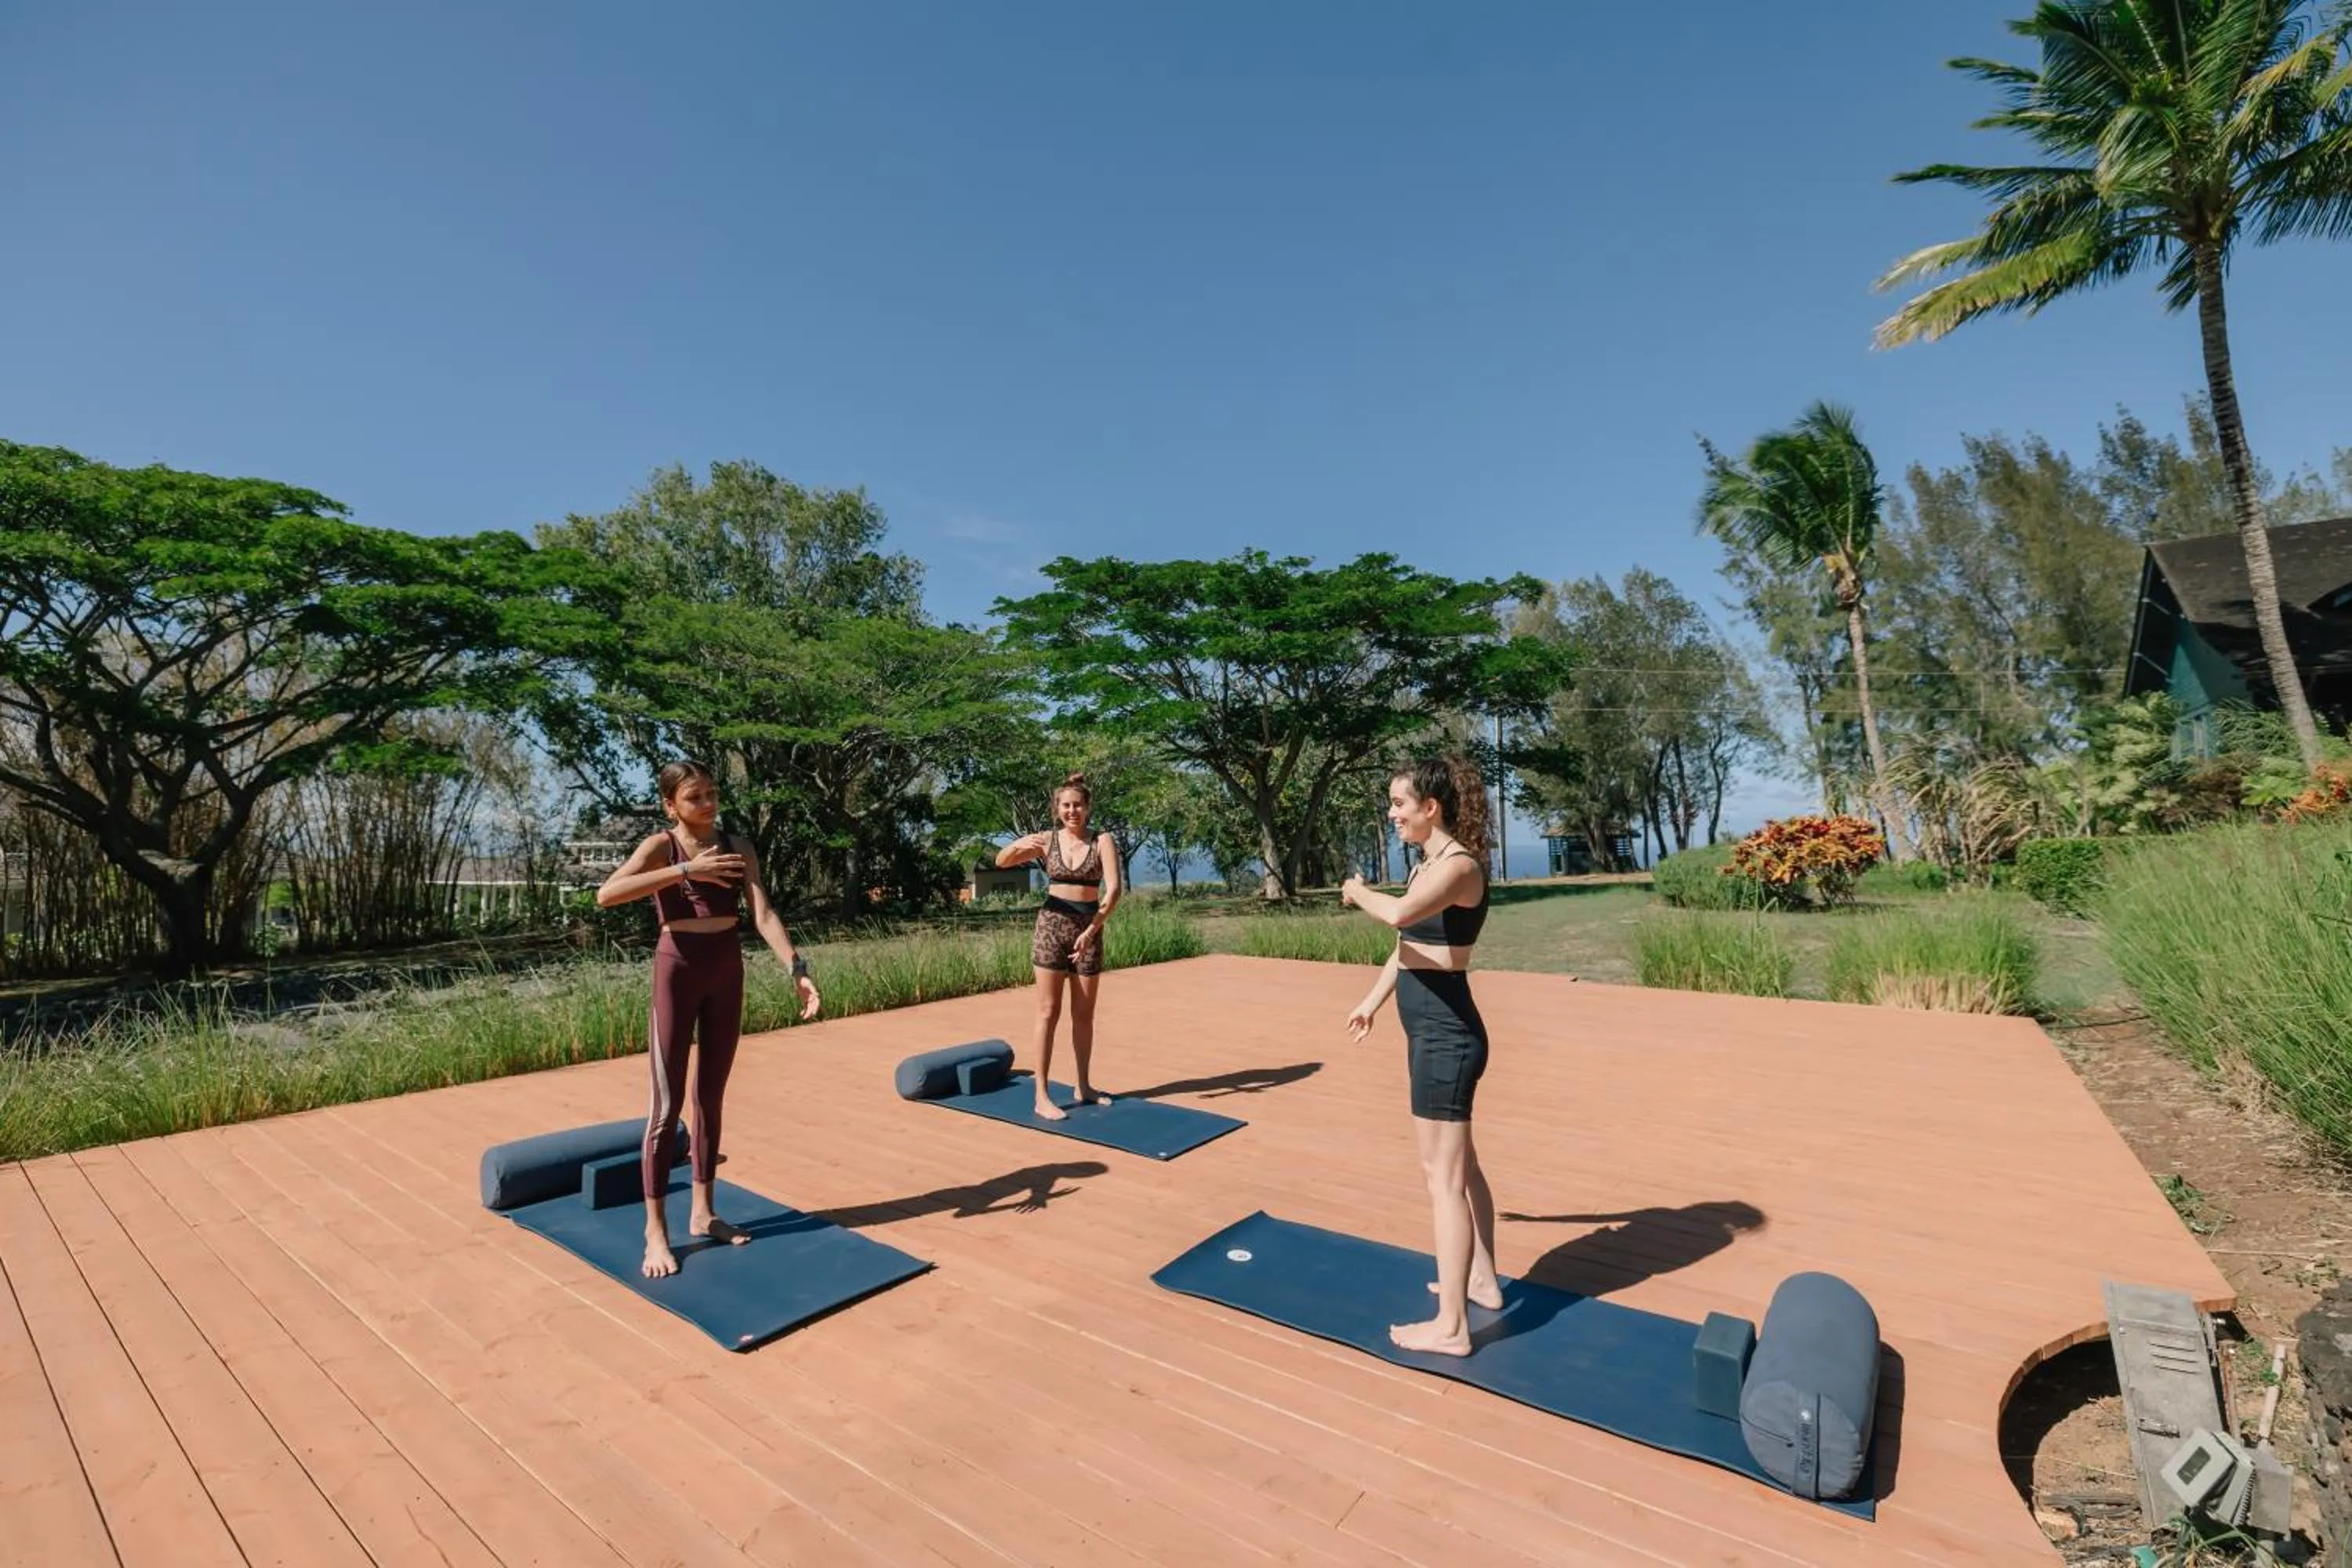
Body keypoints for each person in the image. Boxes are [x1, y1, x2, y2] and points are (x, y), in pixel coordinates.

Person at [597, 760, 819, 1279]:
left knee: (710, 1098)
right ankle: (655, 1230)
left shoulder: (739, 847)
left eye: (713, 793)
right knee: (666, 1105)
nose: (709, 804)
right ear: (671, 805)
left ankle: (703, 1211)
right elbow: (606, 895)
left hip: (726, 969)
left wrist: (797, 969)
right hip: (677, 969)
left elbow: (761, 912)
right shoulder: (662, 846)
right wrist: (685, 872)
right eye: (695, 797)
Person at [1339, 755, 1499, 1357]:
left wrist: (1358, 892)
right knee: (1464, 1169)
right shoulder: (1430, 865)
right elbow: (1410, 946)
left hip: (1446, 1036)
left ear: (1430, 807)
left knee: (1443, 1179)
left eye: (1399, 804)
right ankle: (1481, 1280)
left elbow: (1400, 916)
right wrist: (1373, 1001)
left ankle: (1452, 1327)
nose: (1392, 813)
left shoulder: (1457, 867)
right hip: (1430, 1031)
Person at [995, 771, 1123, 1120]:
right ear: (1057, 808)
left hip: (1089, 930)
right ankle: (1041, 1094)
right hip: (1051, 927)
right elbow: (1000, 862)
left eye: (1078, 805)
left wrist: (1093, 929)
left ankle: (1083, 1086)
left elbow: (1113, 891)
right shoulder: (1046, 840)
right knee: (1048, 1012)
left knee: (1083, 1015)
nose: (1072, 811)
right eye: (1066, 805)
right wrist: (1020, 844)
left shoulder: (1102, 840)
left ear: (1088, 807)